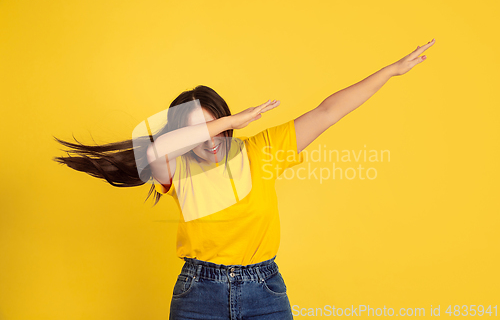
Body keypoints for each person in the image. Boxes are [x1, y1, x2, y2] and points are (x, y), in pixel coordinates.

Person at [53, 39, 435, 319]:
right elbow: (155, 151)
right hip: (198, 293)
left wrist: (390, 71)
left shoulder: (262, 151)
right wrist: (230, 121)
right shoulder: (176, 169)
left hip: (264, 291)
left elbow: (328, 111)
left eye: (217, 127)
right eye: (201, 131)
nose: (212, 139)